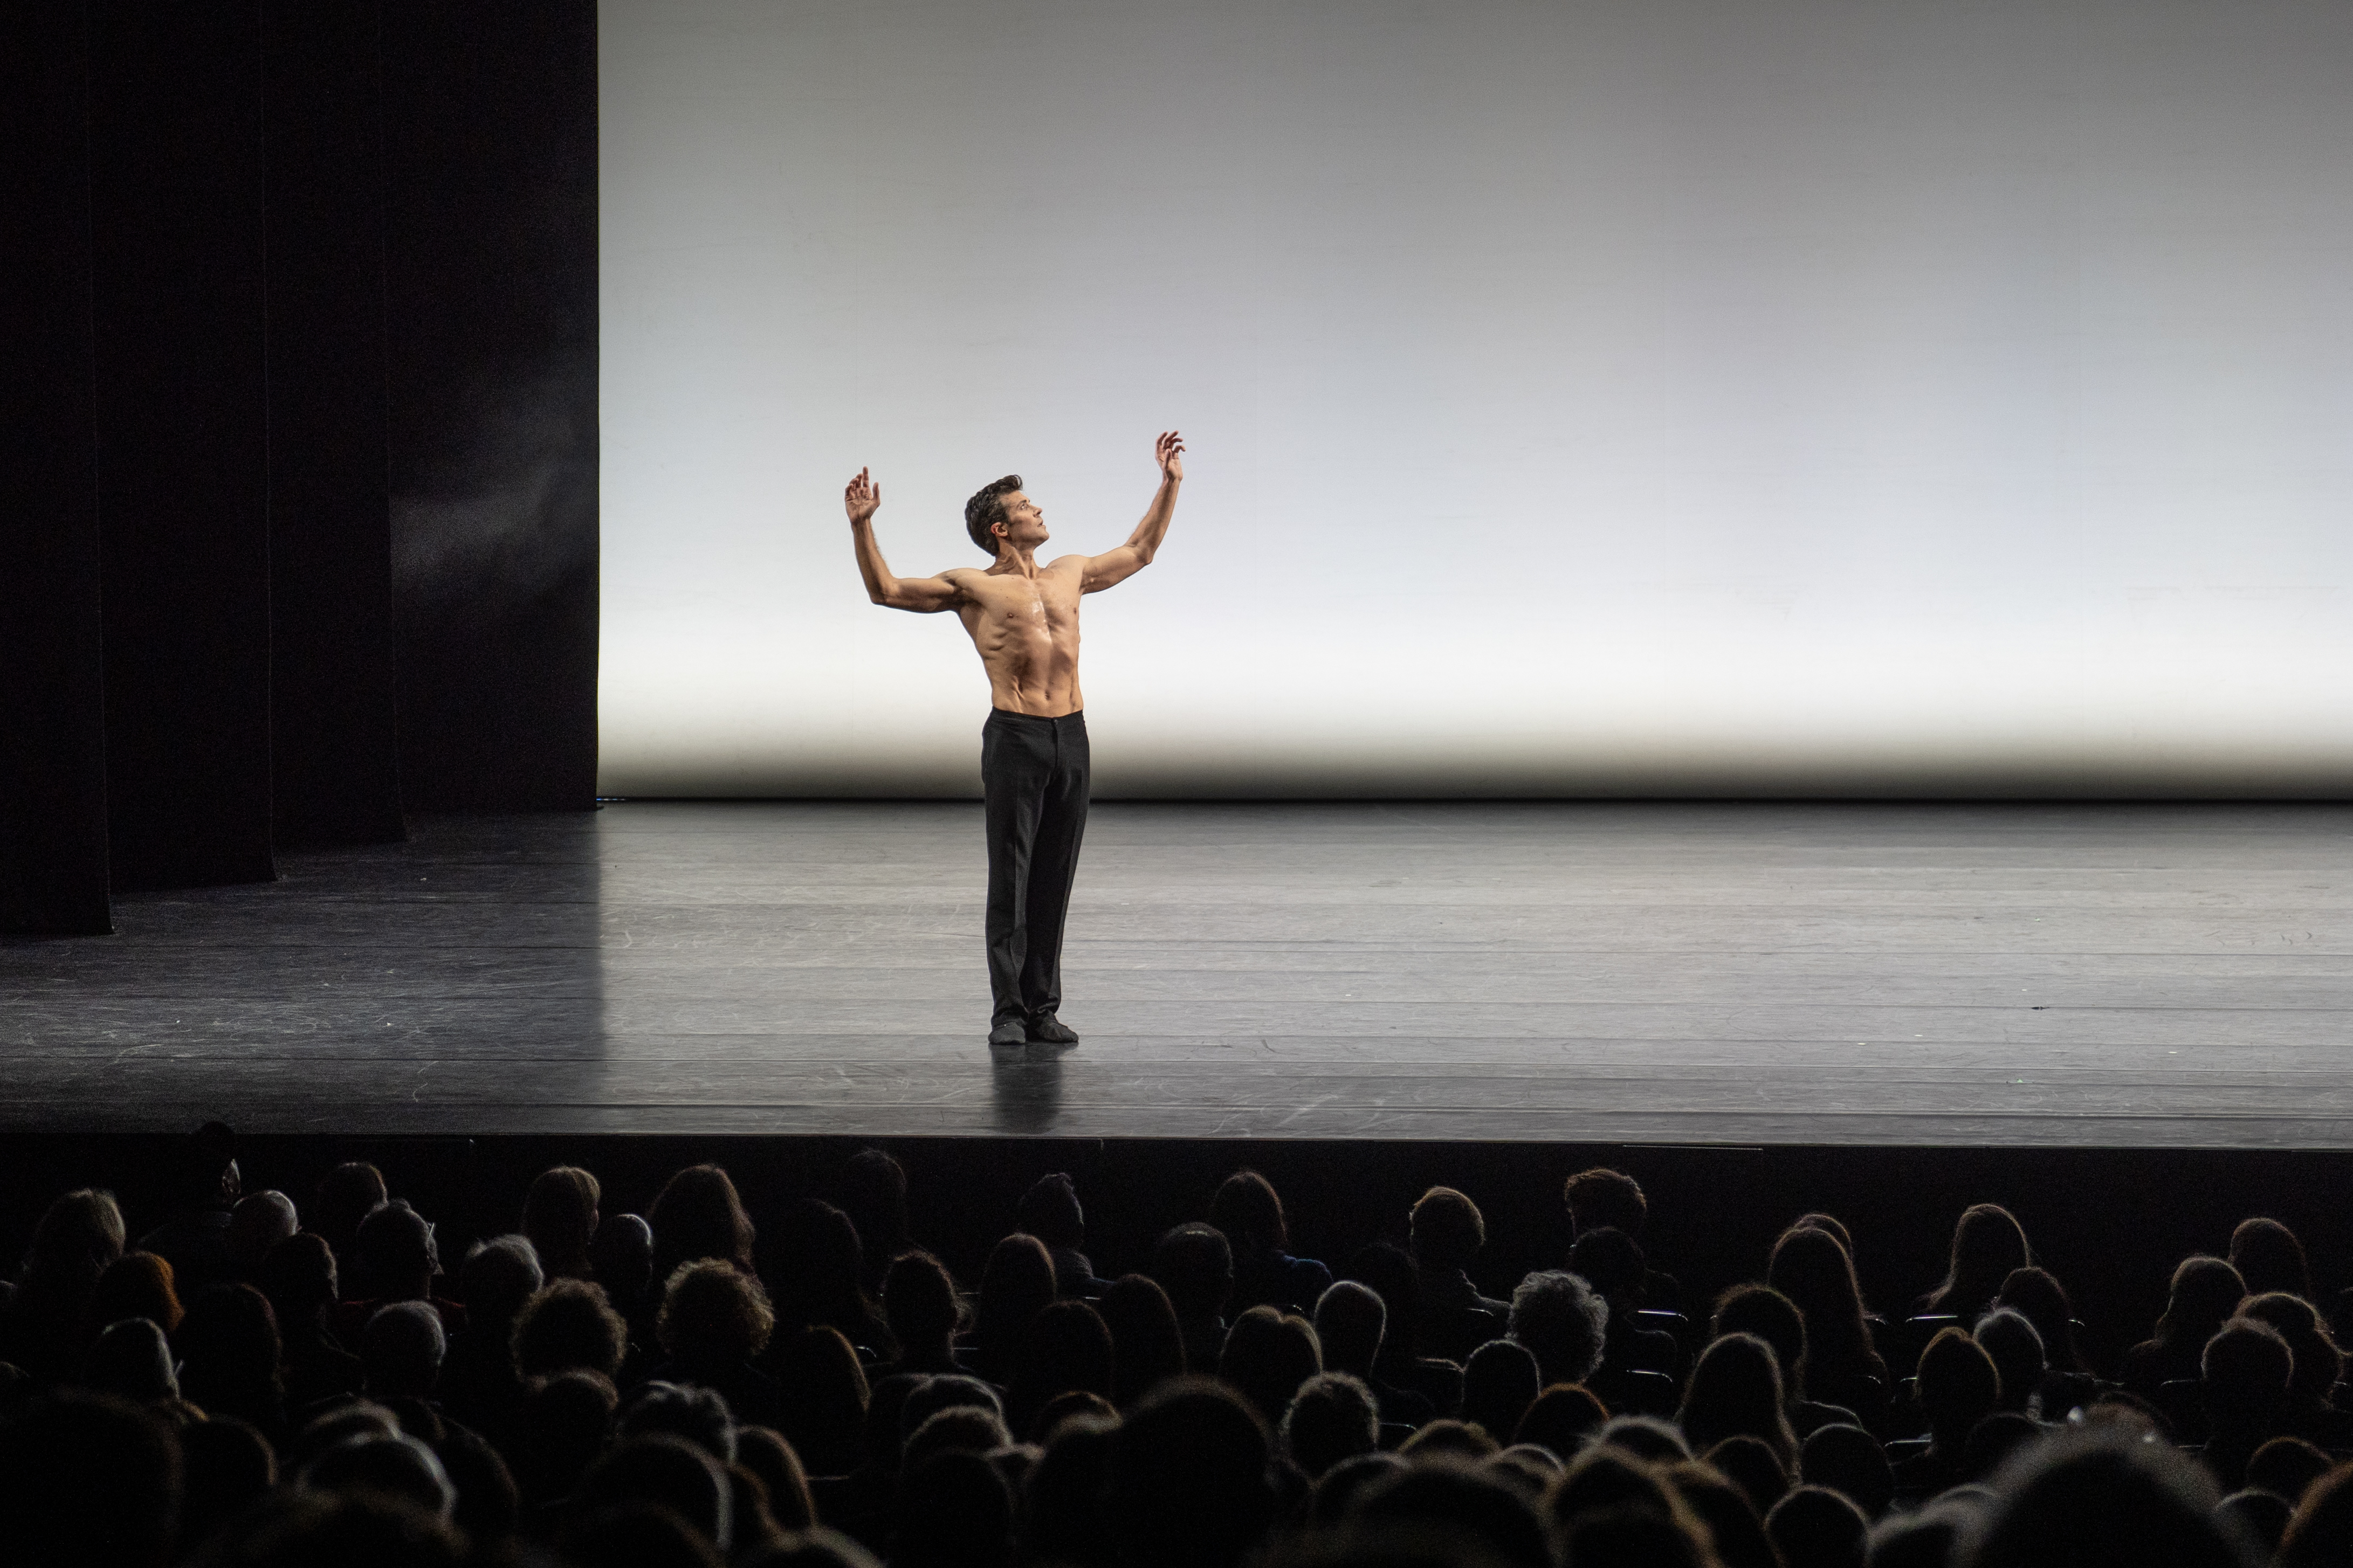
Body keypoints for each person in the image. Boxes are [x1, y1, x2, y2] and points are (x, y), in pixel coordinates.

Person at [844, 431, 1186, 1045]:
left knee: (1055, 876)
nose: (1038, 511)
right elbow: (886, 590)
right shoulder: (972, 585)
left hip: (1072, 736)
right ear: (1000, 529)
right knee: (1013, 876)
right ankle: (1007, 1011)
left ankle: (1043, 1007)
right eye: (1026, 507)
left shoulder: (1069, 573)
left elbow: (1139, 549)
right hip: (1016, 737)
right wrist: (862, 527)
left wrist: (1169, 483)